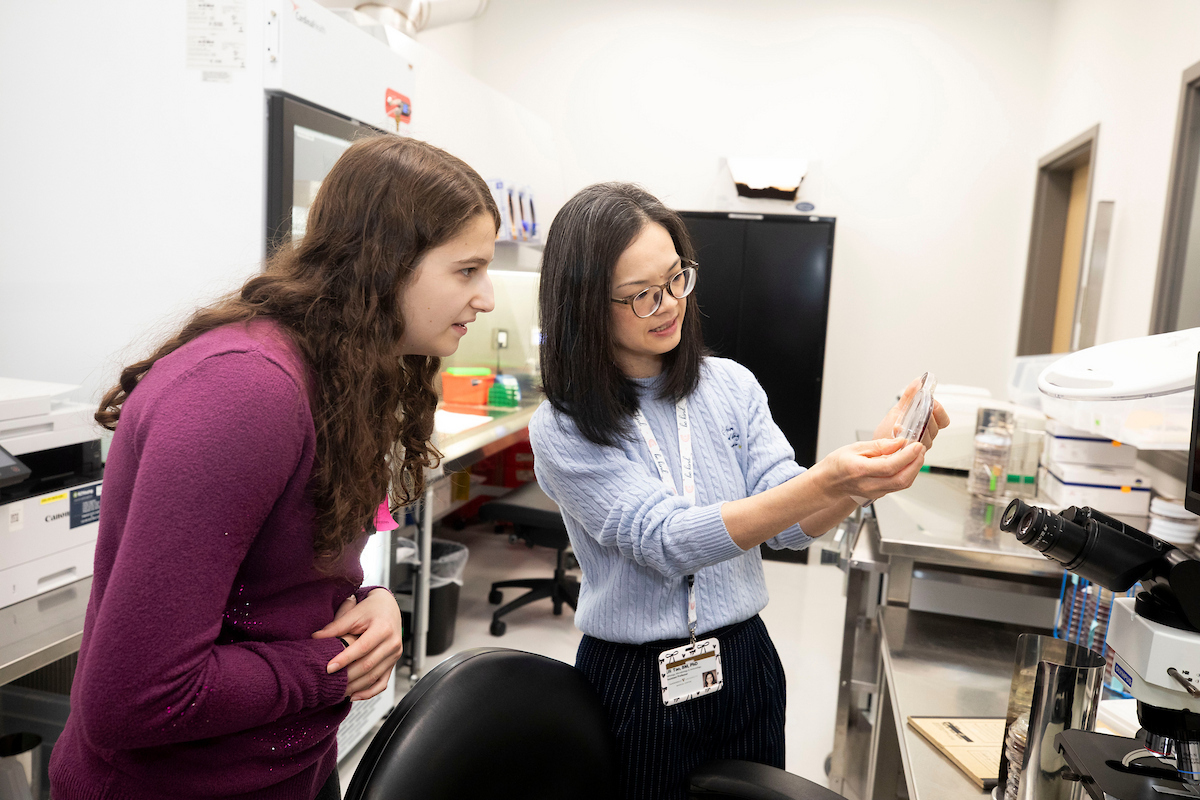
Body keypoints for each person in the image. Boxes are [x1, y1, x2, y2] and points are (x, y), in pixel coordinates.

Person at [49, 136, 499, 800]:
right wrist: (333, 667)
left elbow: (292, 580)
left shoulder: (346, 372)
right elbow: (135, 698)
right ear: (385, 266)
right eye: (467, 271)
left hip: (290, 770)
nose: (486, 297)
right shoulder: (245, 394)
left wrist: (374, 608)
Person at [529, 182, 948, 800]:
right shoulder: (564, 425)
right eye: (642, 296)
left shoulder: (730, 385)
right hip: (635, 681)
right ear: (586, 305)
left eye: (677, 279)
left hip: (744, 660)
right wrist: (827, 479)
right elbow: (665, 539)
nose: (670, 304)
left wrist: (862, 478)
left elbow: (783, 521)